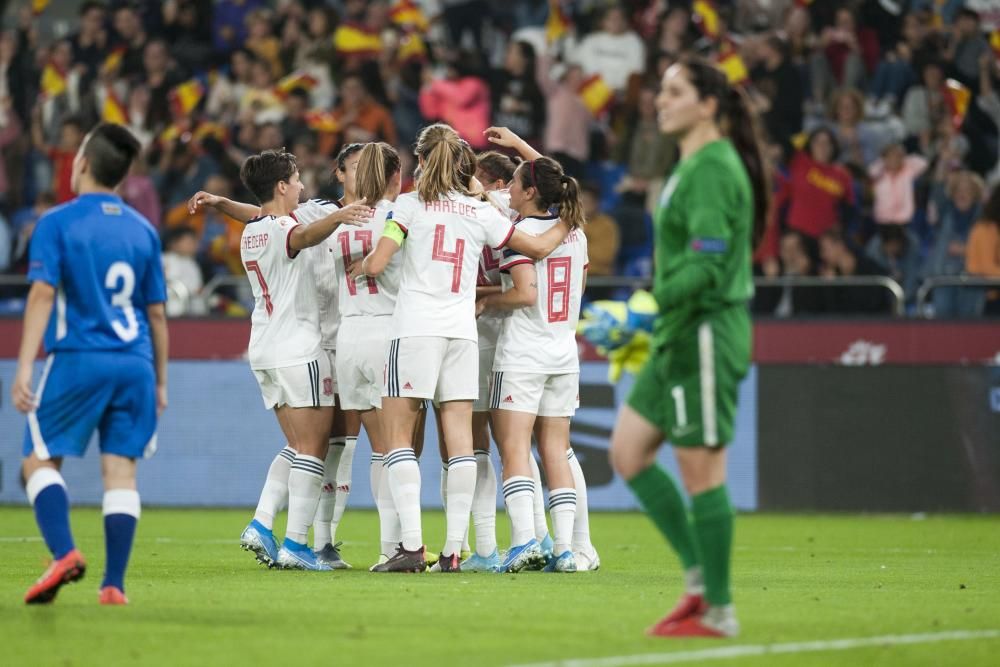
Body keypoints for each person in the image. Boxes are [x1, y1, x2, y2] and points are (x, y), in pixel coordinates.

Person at [352, 123, 571, 572]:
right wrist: (569, 216)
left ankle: (410, 546)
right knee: (461, 444)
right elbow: (537, 246)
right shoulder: (480, 211)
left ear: (423, 160)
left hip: (415, 331)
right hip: (462, 335)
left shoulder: (409, 206)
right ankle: (453, 551)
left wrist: (361, 267)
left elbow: (379, 261)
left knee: (397, 438)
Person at [609, 56, 771, 638]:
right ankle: (700, 584)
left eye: (675, 91)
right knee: (628, 453)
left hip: (705, 330)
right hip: (680, 331)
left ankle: (719, 610)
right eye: (661, 90)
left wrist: (645, 306)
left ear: (709, 105)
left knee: (703, 475)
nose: (661, 100)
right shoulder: (688, 167)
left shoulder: (711, 170)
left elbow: (707, 264)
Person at [188, 145, 368, 570]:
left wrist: (218, 202)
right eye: (298, 178)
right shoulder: (284, 228)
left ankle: (264, 523)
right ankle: (296, 545)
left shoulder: (255, 228)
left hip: (265, 347)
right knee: (313, 447)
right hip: (298, 346)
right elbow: (301, 237)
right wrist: (339, 217)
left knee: (297, 445)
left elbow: (258, 213)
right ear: (283, 186)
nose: (305, 184)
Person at [12, 123, 168, 606]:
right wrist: (161, 381)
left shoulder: (57, 223)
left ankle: (64, 553)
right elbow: (157, 313)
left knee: (36, 461)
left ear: (80, 164)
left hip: (80, 356)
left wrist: (22, 368)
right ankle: (113, 585)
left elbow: (41, 294)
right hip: (137, 362)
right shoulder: (144, 229)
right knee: (120, 473)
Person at [479, 154, 589, 574]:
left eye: (514, 184)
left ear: (529, 192)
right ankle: (565, 549)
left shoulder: (519, 235)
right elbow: (578, 285)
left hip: (523, 352)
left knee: (513, 449)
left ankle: (524, 539)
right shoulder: (575, 233)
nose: (507, 190)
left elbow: (525, 294)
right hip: (563, 353)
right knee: (556, 451)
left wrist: (488, 300)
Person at [331, 142, 406, 569]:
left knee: (375, 448)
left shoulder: (339, 224)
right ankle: (392, 546)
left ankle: (384, 546)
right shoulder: (397, 217)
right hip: (385, 332)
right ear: (395, 176)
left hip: (348, 335)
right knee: (391, 449)